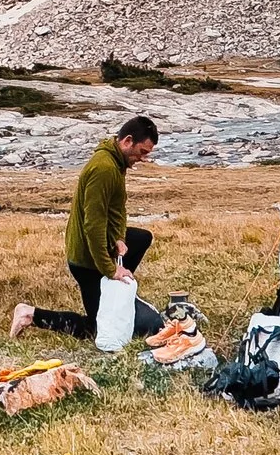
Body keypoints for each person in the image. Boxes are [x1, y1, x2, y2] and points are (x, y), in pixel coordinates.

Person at [12, 115, 166, 340]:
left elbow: (115, 210)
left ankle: (114, 292)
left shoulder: (116, 162)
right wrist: (109, 269)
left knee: (141, 238)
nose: (143, 159)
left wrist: (119, 238)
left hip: (101, 246)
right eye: (142, 152)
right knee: (102, 329)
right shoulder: (104, 168)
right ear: (127, 141)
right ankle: (30, 315)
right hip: (86, 261)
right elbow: (92, 225)